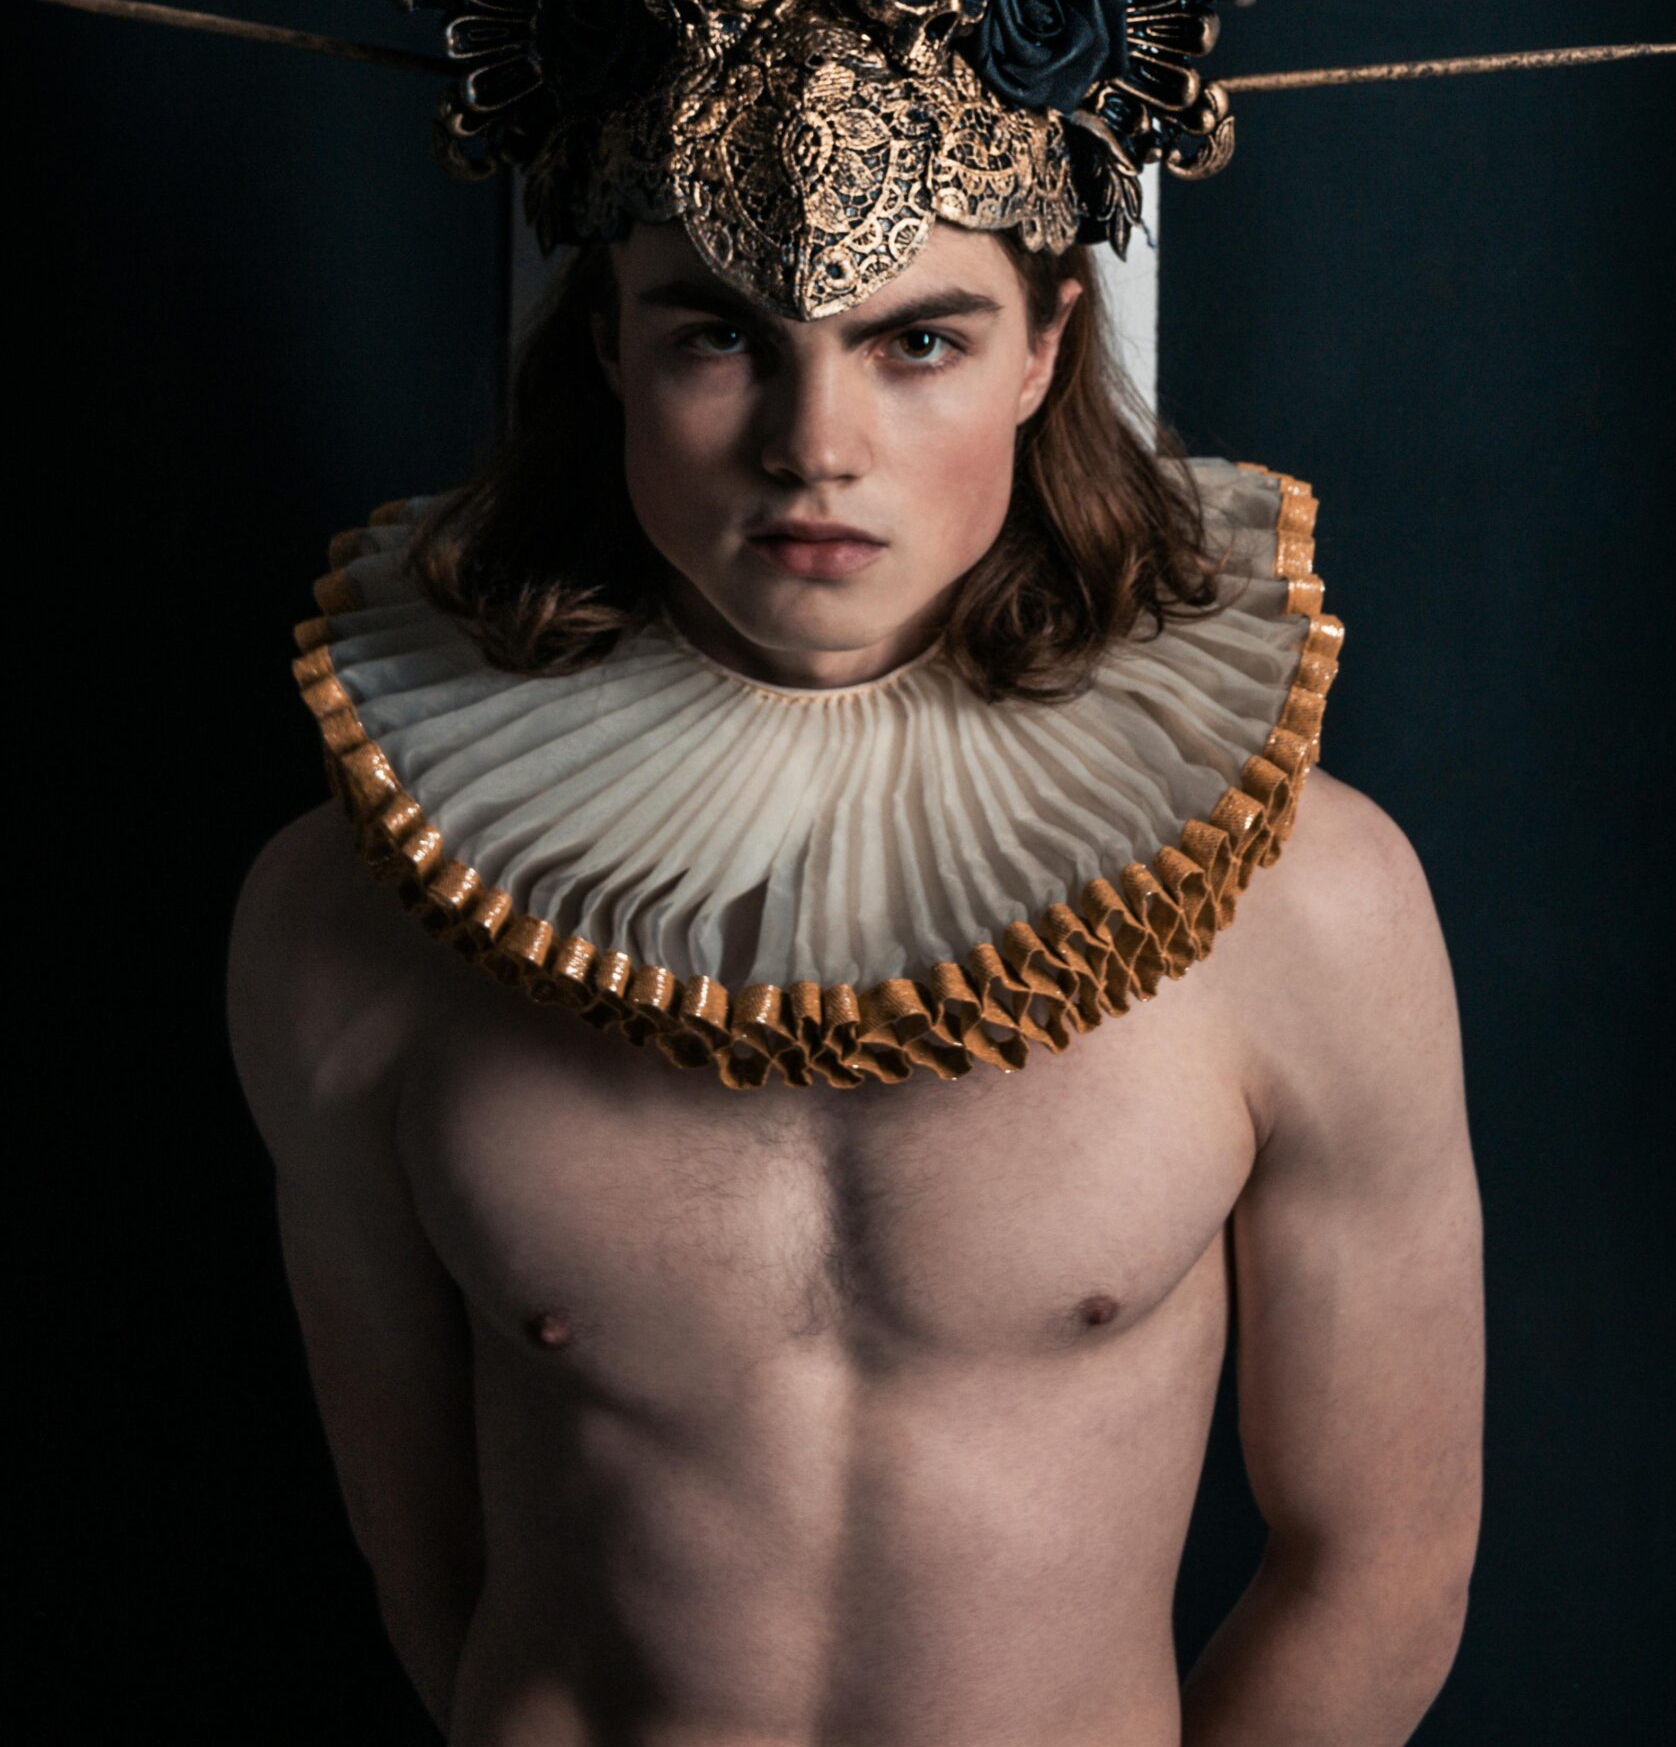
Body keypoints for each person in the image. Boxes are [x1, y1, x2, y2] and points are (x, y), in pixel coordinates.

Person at [229, 208, 1482, 1746]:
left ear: (1047, 347)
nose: (814, 447)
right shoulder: (349, 917)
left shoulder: (1307, 905)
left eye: (917, 341)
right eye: (720, 335)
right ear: (609, 341)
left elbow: (1383, 1572)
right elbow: (419, 1555)